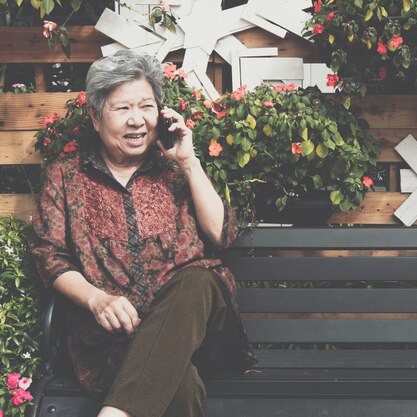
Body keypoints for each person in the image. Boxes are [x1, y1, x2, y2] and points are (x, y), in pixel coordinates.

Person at [31, 50, 256, 417]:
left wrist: (188, 162)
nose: (137, 121)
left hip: (198, 327)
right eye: (122, 109)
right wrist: (97, 300)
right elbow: (49, 255)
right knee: (178, 389)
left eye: (146, 107)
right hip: (116, 338)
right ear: (95, 116)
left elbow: (222, 235)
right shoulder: (65, 176)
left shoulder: (175, 168)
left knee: (197, 279)